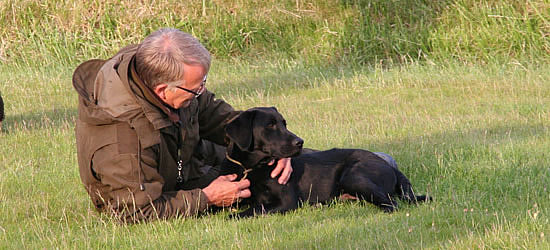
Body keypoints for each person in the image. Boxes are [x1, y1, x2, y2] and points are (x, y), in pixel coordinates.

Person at [72, 28, 292, 222]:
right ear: (162, 90)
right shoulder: (123, 142)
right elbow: (137, 211)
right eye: (196, 88)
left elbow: (218, 117)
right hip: (156, 193)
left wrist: (277, 145)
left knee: (270, 168)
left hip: (191, 165)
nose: (201, 92)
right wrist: (207, 198)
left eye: (203, 83)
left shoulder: (163, 79)